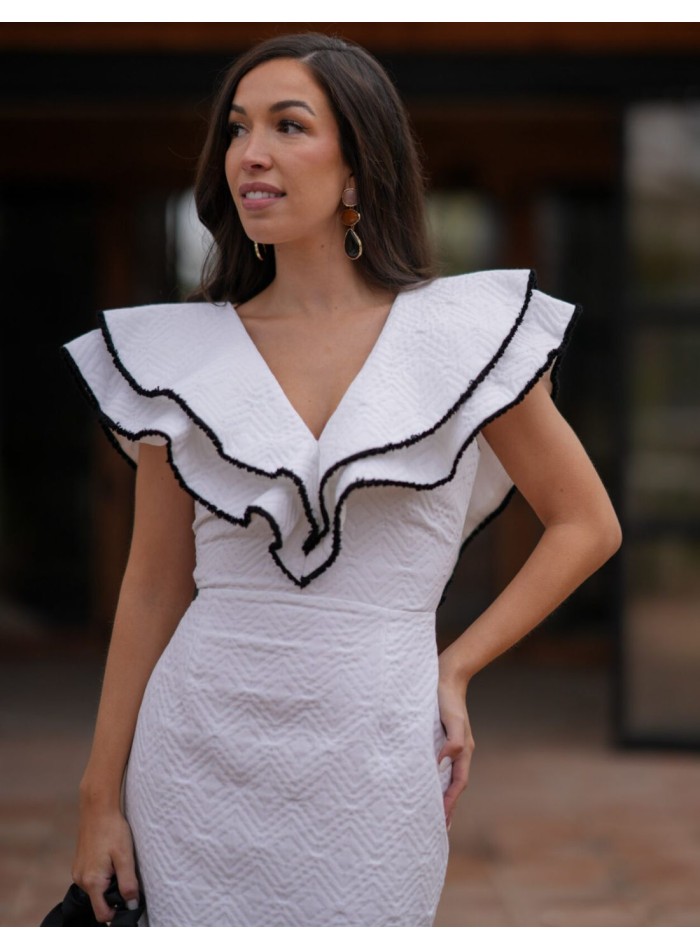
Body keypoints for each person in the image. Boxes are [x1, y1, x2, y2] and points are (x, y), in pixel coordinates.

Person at [64, 32, 621, 927]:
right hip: (193, 758)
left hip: (376, 756)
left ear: (360, 169)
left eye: (290, 126)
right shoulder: (176, 357)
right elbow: (154, 582)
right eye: (238, 129)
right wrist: (99, 798)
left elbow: (587, 524)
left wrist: (457, 668)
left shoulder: (463, 340)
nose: (252, 152)